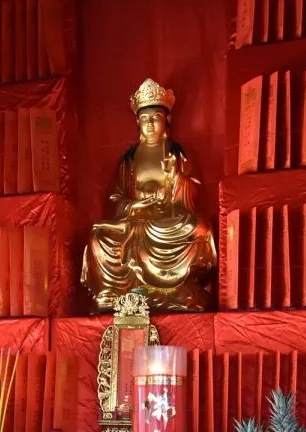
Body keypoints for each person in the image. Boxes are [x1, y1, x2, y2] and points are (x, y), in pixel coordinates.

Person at [81, 78, 217, 312]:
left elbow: (193, 192)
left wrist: (177, 179)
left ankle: (177, 290)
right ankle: (115, 292)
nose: (151, 124)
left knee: (200, 228)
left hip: (166, 223)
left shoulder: (177, 153)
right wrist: (133, 206)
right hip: (135, 222)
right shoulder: (129, 158)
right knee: (98, 237)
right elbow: (116, 198)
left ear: (167, 120)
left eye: (156, 117)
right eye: (145, 118)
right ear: (137, 122)